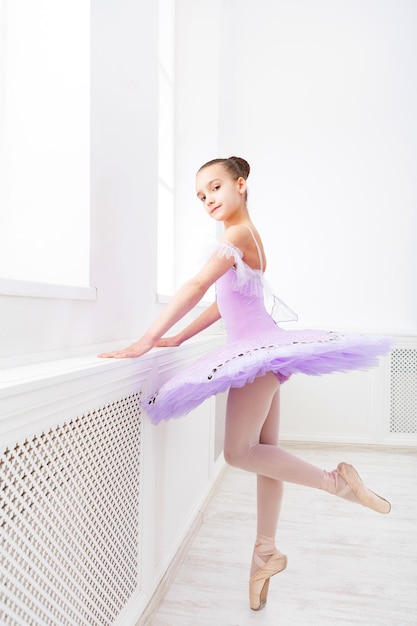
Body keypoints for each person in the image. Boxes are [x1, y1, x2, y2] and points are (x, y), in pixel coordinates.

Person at [99, 156, 393, 611]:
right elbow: (220, 305)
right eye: (200, 196)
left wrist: (146, 340)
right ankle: (265, 553)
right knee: (264, 454)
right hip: (261, 353)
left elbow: (197, 287)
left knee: (238, 452)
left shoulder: (237, 235)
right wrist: (176, 337)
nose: (207, 199)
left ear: (241, 185)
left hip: (255, 356)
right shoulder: (241, 241)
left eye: (214, 188)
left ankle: (336, 483)